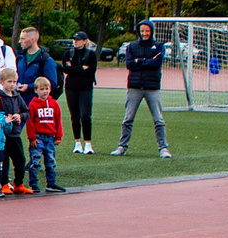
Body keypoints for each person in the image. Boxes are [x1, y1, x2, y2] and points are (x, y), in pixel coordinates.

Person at [112, 20, 171, 157]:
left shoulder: (158, 46)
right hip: (134, 87)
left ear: (151, 31)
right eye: (142, 31)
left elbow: (156, 63)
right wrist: (144, 61)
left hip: (152, 87)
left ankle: (163, 148)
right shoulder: (132, 46)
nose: (145, 33)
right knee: (128, 118)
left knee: (158, 119)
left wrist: (140, 61)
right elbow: (130, 64)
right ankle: (122, 147)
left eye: (147, 31)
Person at [61, 28, 101, 153]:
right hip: (71, 88)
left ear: (84, 41)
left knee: (85, 115)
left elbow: (91, 70)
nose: (76, 42)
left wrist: (76, 69)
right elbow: (66, 69)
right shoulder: (68, 54)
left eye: (78, 40)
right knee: (74, 116)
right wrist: (81, 69)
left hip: (85, 88)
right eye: (75, 40)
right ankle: (77, 142)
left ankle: (88, 143)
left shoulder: (90, 54)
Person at [0, 69, 32, 195]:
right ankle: (4, 183)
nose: (12, 84)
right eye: (9, 81)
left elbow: (26, 111)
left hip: (15, 133)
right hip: (2, 135)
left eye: (14, 82)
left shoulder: (17, 96)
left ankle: (18, 183)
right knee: (3, 160)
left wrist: (20, 116)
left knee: (20, 159)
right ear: (1, 82)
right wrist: (4, 119)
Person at [26, 76, 65, 192]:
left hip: (50, 138)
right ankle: (33, 184)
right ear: (36, 90)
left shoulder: (54, 104)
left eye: (47, 89)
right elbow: (30, 122)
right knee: (35, 162)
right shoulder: (33, 105)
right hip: (38, 137)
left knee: (51, 161)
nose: (45, 92)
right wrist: (32, 138)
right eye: (42, 89)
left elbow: (58, 121)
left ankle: (51, 183)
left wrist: (59, 136)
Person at [16, 27, 59, 114]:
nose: (20, 41)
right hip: (19, 101)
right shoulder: (20, 57)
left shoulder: (46, 60)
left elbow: (52, 83)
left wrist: (29, 87)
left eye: (23, 38)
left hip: (36, 104)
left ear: (32, 40)